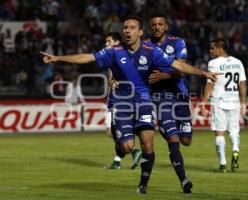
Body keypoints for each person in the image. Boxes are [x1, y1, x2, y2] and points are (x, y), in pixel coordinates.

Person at [41, 15, 221, 194]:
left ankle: (143, 185)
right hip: (122, 105)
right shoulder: (114, 51)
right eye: (125, 28)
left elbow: (177, 65)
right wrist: (58, 58)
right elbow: (88, 57)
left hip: (143, 102)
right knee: (127, 147)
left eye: (132, 28)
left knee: (148, 144)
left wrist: (202, 72)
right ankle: (121, 142)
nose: (127, 30)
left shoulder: (151, 50)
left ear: (140, 32)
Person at [146, 13, 193, 192]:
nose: (157, 27)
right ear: (150, 27)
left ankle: (178, 142)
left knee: (186, 140)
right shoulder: (145, 46)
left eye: (160, 24)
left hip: (180, 95)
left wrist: (164, 75)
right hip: (159, 97)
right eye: (153, 24)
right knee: (173, 139)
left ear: (165, 26)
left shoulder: (177, 42)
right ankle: (184, 181)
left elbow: (181, 66)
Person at [201, 38, 247, 173]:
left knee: (219, 133)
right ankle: (235, 150)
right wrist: (243, 102)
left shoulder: (213, 63)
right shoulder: (238, 62)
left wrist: (204, 102)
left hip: (219, 100)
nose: (210, 51)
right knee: (234, 130)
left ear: (220, 49)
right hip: (234, 101)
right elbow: (243, 84)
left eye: (212, 48)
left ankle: (223, 164)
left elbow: (210, 84)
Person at [103, 32, 142, 170]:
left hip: (119, 101)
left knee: (111, 131)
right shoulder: (112, 57)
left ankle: (134, 151)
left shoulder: (121, 57)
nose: (106, 44)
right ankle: (118, 160)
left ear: (116, 42)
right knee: (115, 131)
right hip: (115, 99)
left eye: (108, 41)